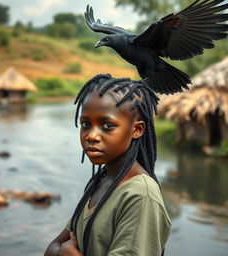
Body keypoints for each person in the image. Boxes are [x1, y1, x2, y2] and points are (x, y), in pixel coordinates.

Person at [44, 74, 171, 256]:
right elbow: (53, 246)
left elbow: (60, 247)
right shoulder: (101, 181)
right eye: (86, 124)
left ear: (137, 129)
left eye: (108, 125)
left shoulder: (140, 196)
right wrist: (60, 252)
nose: (92, 136)